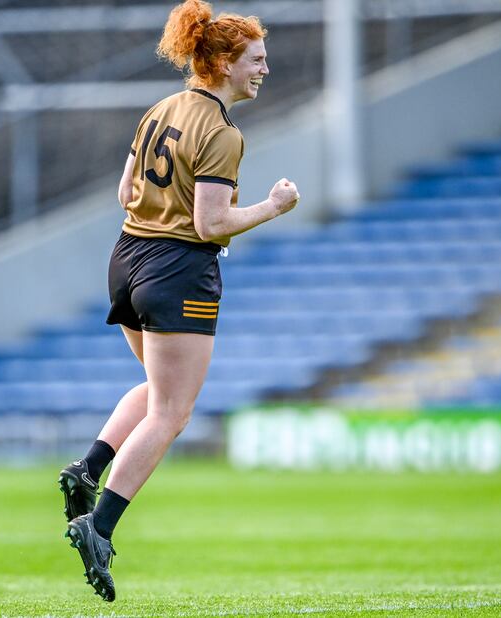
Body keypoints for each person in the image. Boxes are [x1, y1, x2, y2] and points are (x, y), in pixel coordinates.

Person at [57, 0, 300, 602]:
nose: (264, 69)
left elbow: (125, 191)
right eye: (256, 60)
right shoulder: (221, 132)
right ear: (220, 62)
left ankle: (88, 469)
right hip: (176, 269)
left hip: (127, 257)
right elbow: (211, 223)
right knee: (173, 412)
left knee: (154, 387)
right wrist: (273, 206)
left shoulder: (160, 109)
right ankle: (101, 525)